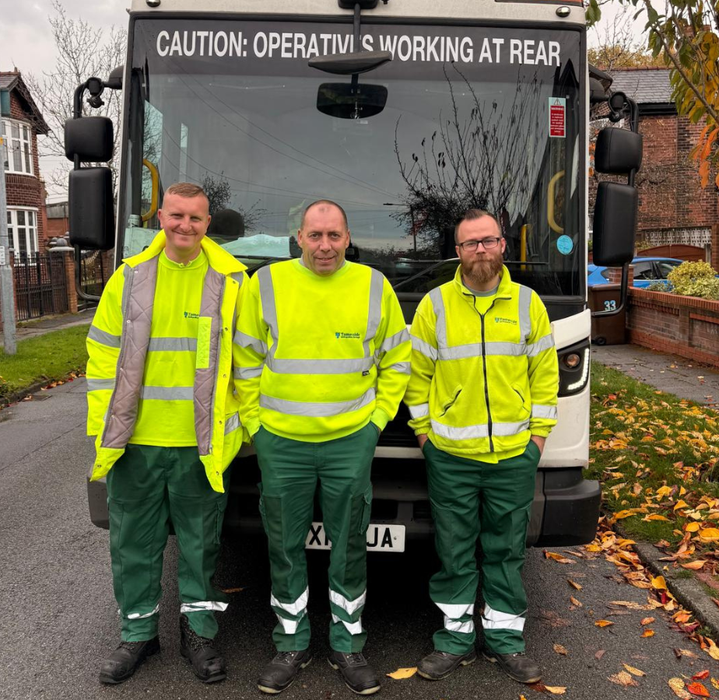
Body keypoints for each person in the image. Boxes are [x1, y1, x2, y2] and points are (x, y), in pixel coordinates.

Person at [234, 200, 410, 695]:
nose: (325, 246)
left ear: (348, 237)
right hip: (281, 443)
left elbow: (397, 360)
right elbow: (244, 359)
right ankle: (291, 643)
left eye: (334, 235)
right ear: (299, 238)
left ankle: (347, 645)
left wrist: (375, 422)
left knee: (349, 545)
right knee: (284, 547)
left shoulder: (374, 286)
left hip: (349, 441)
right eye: (315, 235)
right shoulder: (265, 285)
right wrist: (257, 426)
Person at [85, 182, 248, 685]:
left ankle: (198, 633)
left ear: (207, 224)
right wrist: (104, 430)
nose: (185, 226)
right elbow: (102, 355)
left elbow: (247, 361)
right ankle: (138, 635)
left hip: (201, 445)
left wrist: (242, 429)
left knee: (200, 547)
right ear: (160, 217)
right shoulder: (130, 277)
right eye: (177, 215)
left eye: (195, 218)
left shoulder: (232, 281)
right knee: (133, 545)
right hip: (135, 443)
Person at [404, 209, 559, 685]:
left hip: (513, 456)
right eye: (470, 243)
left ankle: (505, 640)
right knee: (453, 550)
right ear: (458, 252)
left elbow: (545, 377)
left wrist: (536, 441)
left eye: (488, 241)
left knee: (506, 550)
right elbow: (417, 378)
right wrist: (427, 439)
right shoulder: (434, 305)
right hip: (450, 457)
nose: (480, 251)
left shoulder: (529, 304)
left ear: (503, 245)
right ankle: (454, 640)